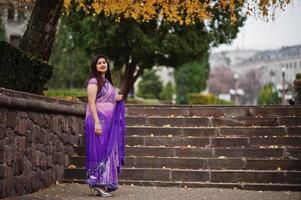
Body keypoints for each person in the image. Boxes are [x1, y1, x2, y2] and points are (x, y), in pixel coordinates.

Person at [85, 54, 125, 197]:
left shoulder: (107, 82)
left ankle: (102, 183)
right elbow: (91, 103)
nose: (102, 64)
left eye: (104, 62)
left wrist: (117, 99)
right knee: (98, 152)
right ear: (95, 66)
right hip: (97, 122)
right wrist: (96, 122)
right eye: (99, 63)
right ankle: (96, 183)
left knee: (106, 152)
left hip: (108, 123)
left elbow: (108, 99)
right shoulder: (93, 81)